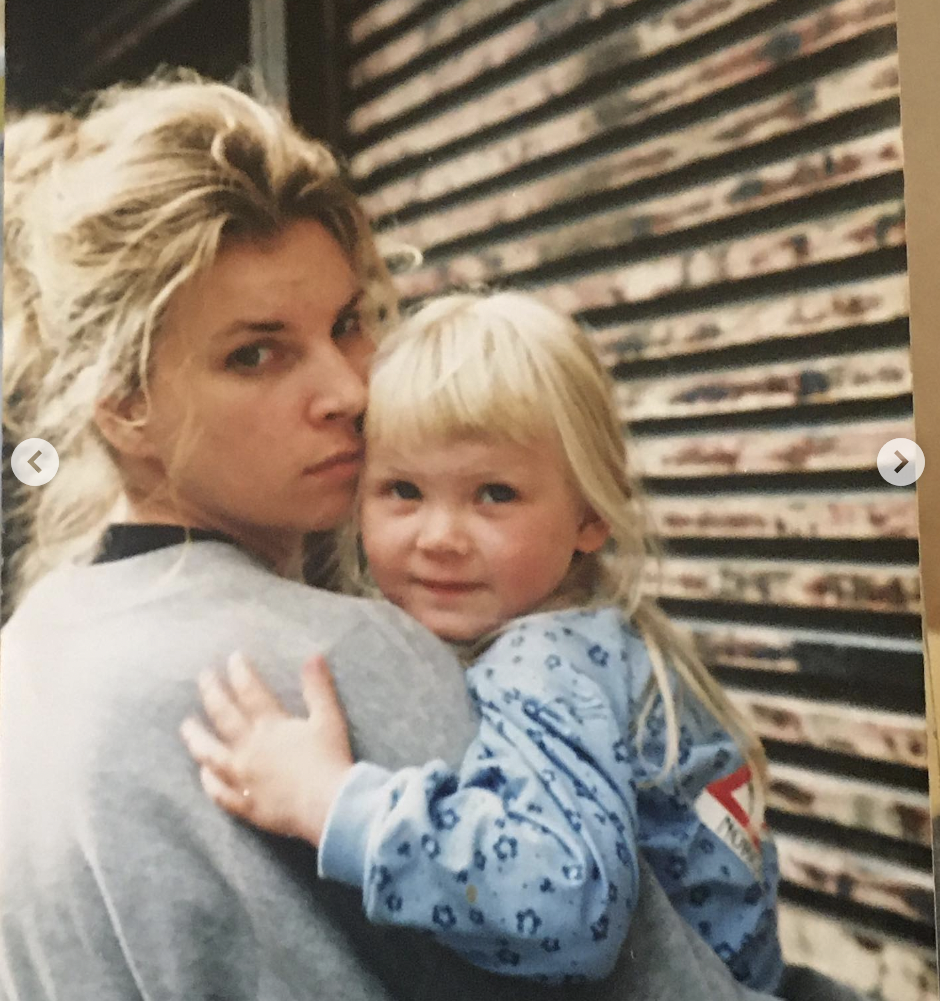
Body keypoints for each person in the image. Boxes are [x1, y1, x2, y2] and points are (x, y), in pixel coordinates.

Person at [0, 74, 815, 1001]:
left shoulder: (31, 651)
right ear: (124, 404)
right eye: (256, 354)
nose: (348, 389)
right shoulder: (336, 658)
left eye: (349, 323)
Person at [182, 292, 784, 992]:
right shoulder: (605, 637)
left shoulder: (545, 661)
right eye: (403, 490)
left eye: (494, 494)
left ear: (590, 516)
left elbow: (569, 905)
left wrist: (331, 801)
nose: (440, 538)